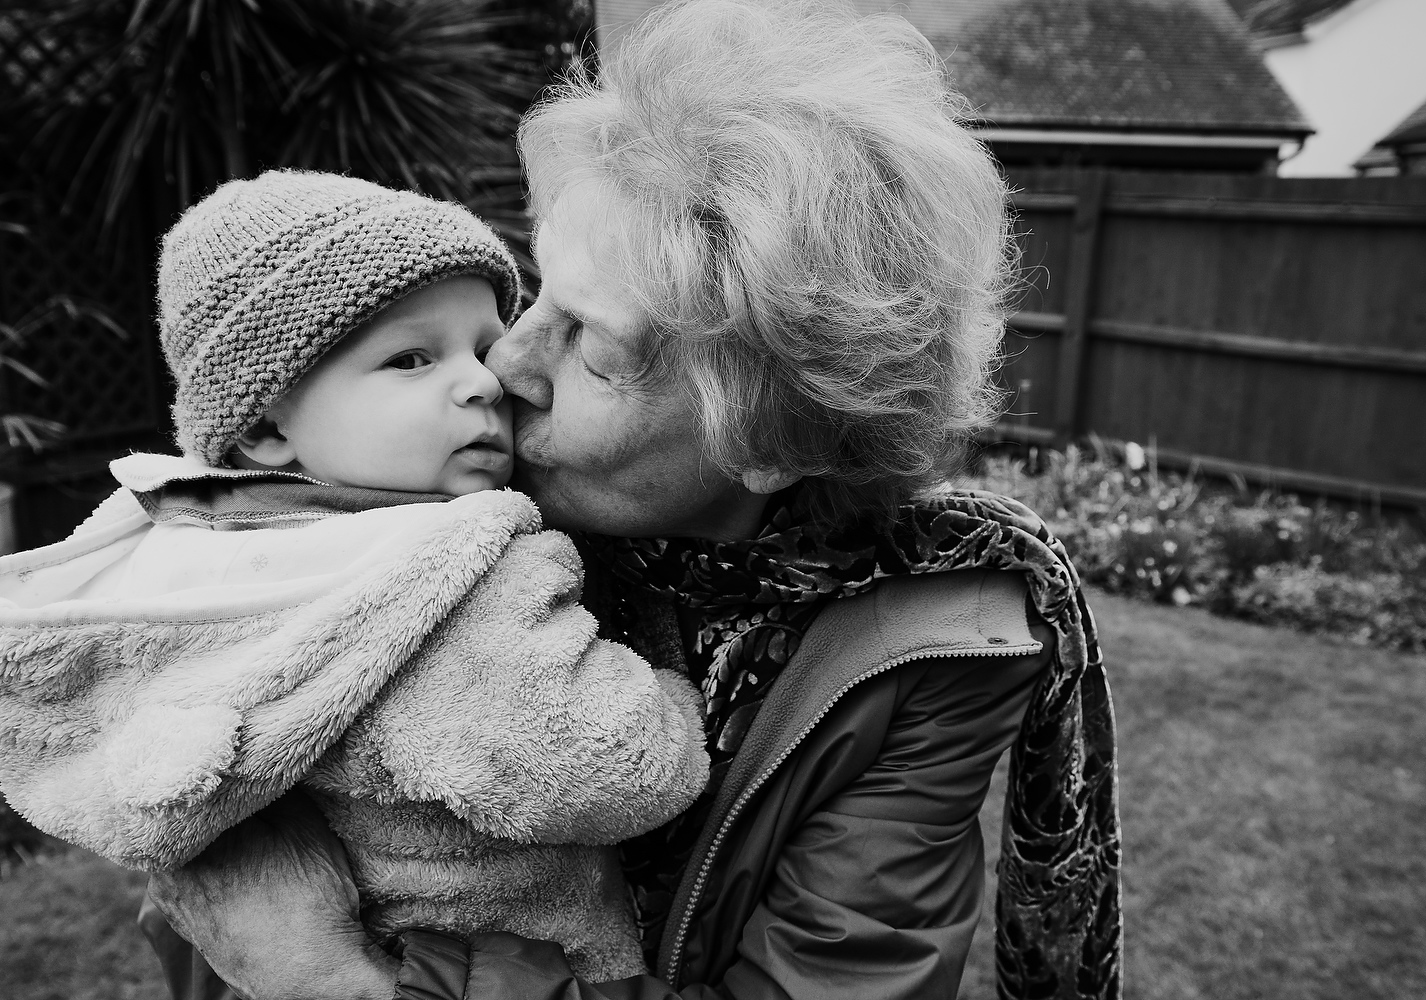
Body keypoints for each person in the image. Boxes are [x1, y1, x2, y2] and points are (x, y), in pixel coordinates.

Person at [144, 1, 1123, 997]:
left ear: (774, 439)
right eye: (538, 295)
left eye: (598, 350)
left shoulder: (924, 651)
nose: (506, 365)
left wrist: (328, 978)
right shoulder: (429, 511)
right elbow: (196, 840)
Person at [0, 170, 710, 983]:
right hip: (502, 961)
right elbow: (612, 770)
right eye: (411, 358)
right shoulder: (443, 579)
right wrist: (674, 702)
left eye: (483, 346)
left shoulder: (187, 559)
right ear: (267, 426)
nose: (485, 380)